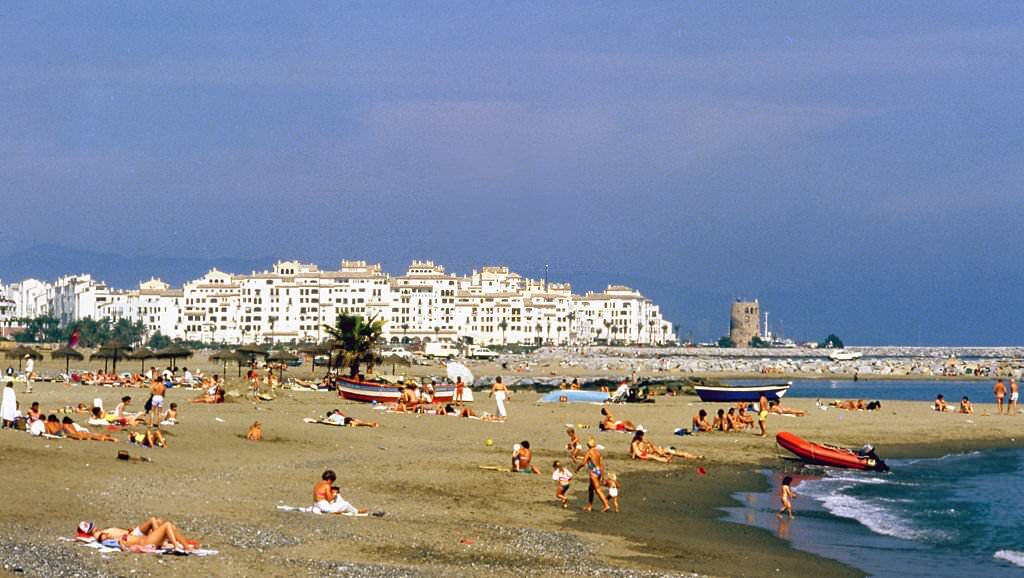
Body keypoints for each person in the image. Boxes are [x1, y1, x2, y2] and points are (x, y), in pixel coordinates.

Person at [575, 438, 610, 512]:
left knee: (597, 489)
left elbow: (583, 463)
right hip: (598, 470)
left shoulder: (589, 452)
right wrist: (602, 475)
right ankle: (589, 506)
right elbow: (601, 464)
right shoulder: (598, 452)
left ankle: (606, 505)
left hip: (593, 471)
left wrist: (577, 469)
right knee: (591, 489)